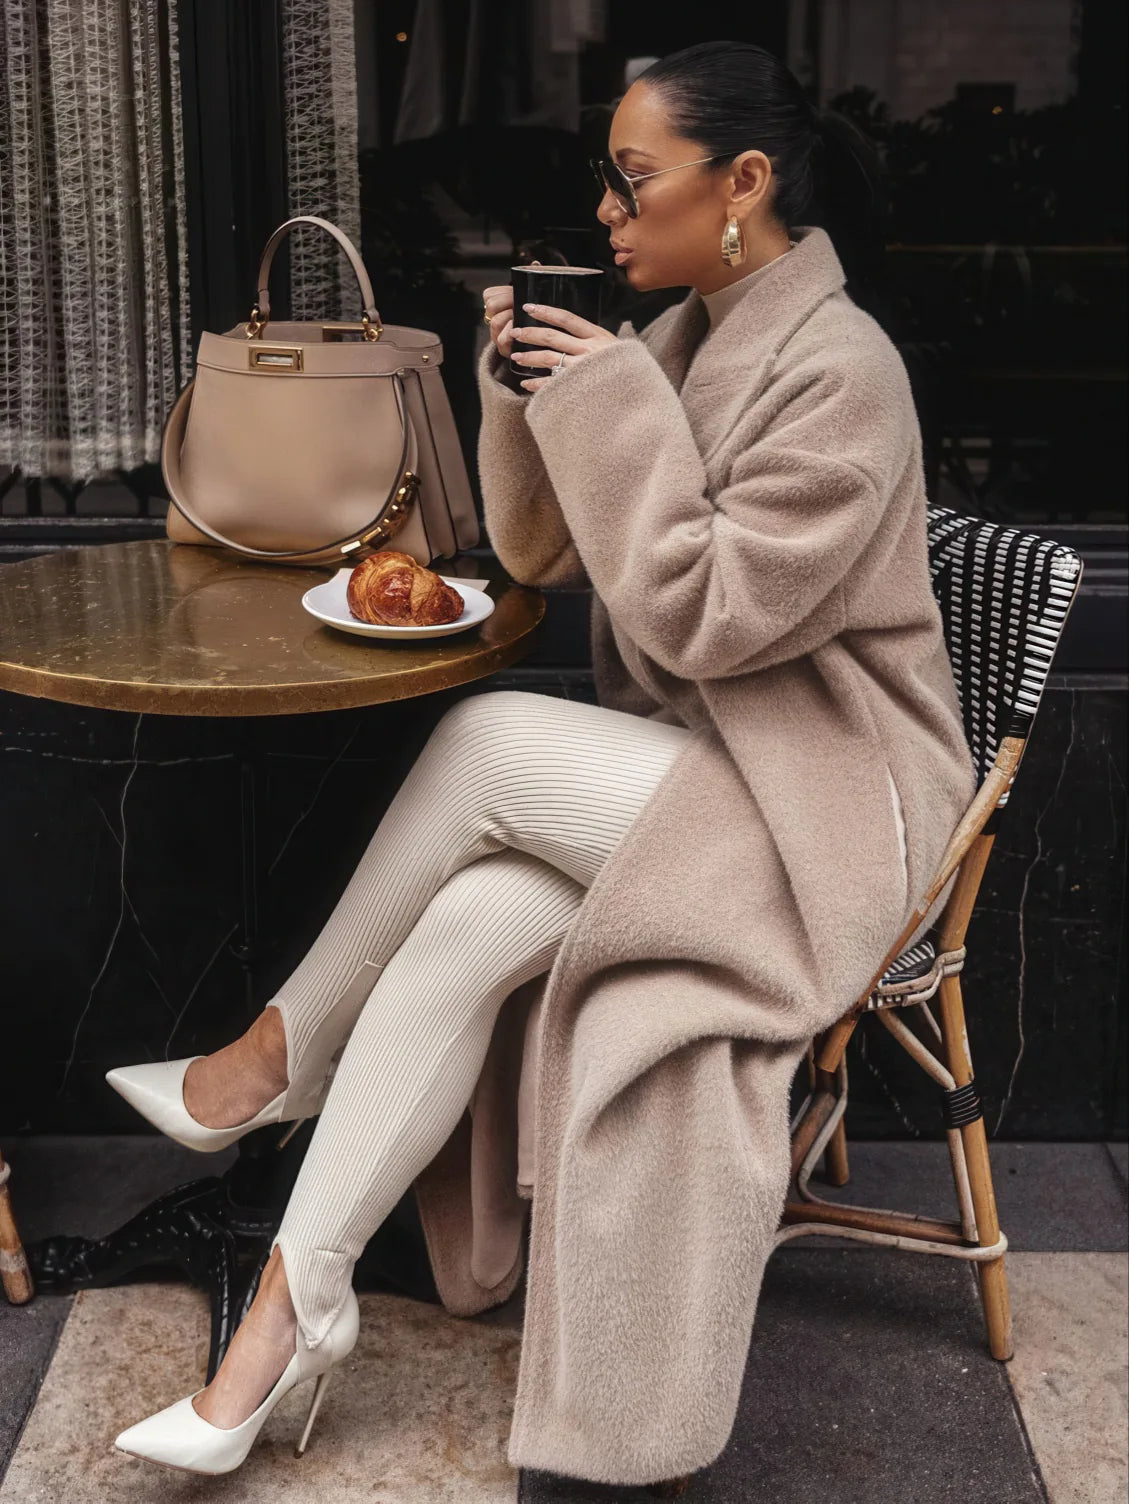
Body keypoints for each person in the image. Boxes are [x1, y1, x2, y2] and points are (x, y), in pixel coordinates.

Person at [105, 39, 974, 1486]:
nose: (613, 216)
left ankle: (270, 1060)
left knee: (493, 736)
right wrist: (529, 398)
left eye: (638, 183)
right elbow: (544, 557)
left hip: (830, 798)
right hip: (708, 771)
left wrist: (613, 407)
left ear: (742, 184)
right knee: (466, 918)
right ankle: (283, 1317)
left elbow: (710, 614)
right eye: (609, 184)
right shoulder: (689, 335)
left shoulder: (843, 372)